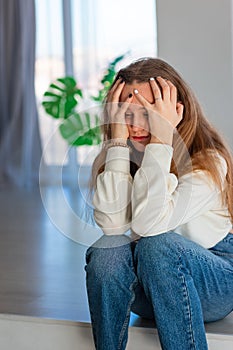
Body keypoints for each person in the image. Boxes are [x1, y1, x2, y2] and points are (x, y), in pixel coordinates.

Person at [85, 57, 233, 350]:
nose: (137, 126)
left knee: (156, 245)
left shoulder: (209, 161)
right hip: (152, 286)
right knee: (106, 251)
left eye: (150, 113)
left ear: (176, 112)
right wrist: (116, 143)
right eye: (127, 114)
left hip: (214, 283)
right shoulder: (123, 153)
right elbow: (114, 227)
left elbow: (147, 226)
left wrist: (163, 139)